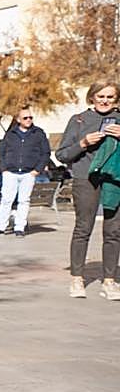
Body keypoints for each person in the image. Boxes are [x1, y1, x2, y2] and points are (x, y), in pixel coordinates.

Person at [56, 82, 120, 299]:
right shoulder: (79, 120)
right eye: (100, 96)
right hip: (86, 178)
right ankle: (77, 278)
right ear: (92, 97)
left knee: (114, 231)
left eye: (110, 97)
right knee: (83, 228)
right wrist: (83, 143)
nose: (105, 101)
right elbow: (62, 155)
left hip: (115, 179)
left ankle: (109, 281)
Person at [0, 105, 50, 238]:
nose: (28, 120)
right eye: (25, 118)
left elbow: (45, 153)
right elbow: (1, 152)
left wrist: (37, 170)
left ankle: (20, 227)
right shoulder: (10, 134)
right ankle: (1, 226)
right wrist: (4, 169)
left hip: (28, 173)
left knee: (24, 200)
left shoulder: (38, 133)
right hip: (10, 172)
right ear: (18, 119)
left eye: (30, 117)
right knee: (6, 200)